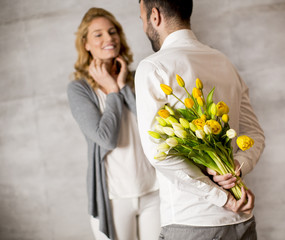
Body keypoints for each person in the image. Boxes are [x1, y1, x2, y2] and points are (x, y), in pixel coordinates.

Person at [134, 0, 265, 239]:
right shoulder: (223, 61)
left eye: (142, 18)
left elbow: (159, 153)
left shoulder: (153, 67)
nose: (143, 25)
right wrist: (237, 167)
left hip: (193, 222)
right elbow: (254, 134)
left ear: (155, 16)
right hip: (243, 220)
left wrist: (222, 197)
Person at [67, 7, 160, 240]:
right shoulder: (79, 89)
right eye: (98, 34)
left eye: (112, 31)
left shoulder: (137, 78)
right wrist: (111, 91)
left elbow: (155, 126)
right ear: (86, 44)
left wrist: (122, 85)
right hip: (114, 196)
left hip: (154, 190)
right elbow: (106, 138)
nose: (109, 38)